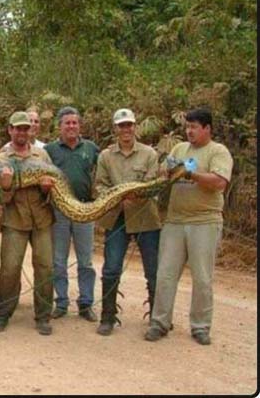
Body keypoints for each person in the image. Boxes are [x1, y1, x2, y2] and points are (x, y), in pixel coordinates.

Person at [145, 108, 233, 346]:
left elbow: (219, 183)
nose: (189, 131)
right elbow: (165, 172)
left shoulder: (218, 151)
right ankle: (159, 323)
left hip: (204, 221)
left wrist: (191, 173)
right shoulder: (179, 149)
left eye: (194, 127)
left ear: (207, 129)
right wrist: (167, 170)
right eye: (187, 127)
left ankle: (200, 326)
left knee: (202, 278)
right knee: (165, 274)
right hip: (175, 220)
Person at [93, 109, 161, 336]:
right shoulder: (105, 156)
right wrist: (115, 197)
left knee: (153, 270)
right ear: (115, 129)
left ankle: (157, 319)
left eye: (129, 125)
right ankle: (107, 317)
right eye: (121, 125)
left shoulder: (150, 154)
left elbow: (153, 184)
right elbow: (100, 185)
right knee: (111, 268)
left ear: (135, 127)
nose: (126, 129)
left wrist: (134, 195)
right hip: (116, 218)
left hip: (146, 219)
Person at [0, 111, 56, 335]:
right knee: (10, 268)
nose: (21, 132)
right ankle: (2, 313)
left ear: (31, 130)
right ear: (10, 130)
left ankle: (43, 315)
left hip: (42, 219)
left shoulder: (42, 155)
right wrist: (7, 187)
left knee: (46, 267)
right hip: (14, 220)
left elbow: (55, 186)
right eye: (17, 128)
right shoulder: (1, 160)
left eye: (25, 128)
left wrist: (47, 189)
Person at [45, 106, 100, 322]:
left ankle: (86, 303)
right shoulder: (50, 150)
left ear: (80, 126)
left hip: (85, 210)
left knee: (86, 261)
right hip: (58, 212)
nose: (71, 126)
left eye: (74, 123)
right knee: (58, 260)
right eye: (67, 123)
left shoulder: (92, 148)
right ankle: (61, 303)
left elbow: (102, 173)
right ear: (59, 127)